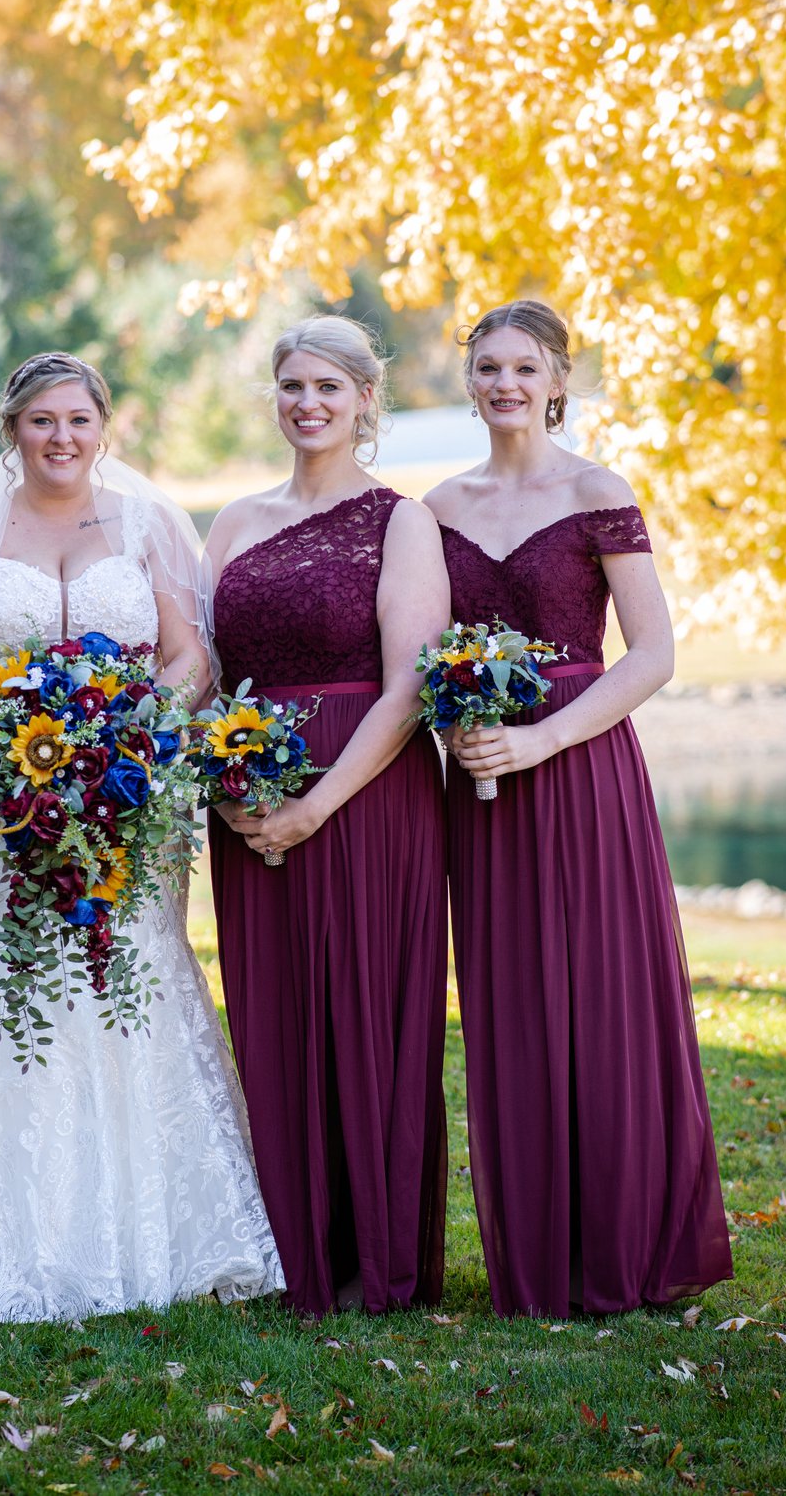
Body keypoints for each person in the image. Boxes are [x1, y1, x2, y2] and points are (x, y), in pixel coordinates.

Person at [0, 351, 284, 1322]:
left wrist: (125, 731)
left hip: (127, 790)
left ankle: (153, 1231)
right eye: (41, 421)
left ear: (102, 424)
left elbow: (189, 653)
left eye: (77, 420)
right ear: (14, 428)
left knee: (125, 970)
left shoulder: (144, 520)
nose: (60, 438)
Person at [429, 298, 733, 1317]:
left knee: (602, 994)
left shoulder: (599, 492)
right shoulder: (434, 508)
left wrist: (543, 739)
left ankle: (623, 1243)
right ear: (467, 381)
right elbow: (424, 654)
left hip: (584, 767)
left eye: (524, 367)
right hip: (480, 785)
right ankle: (537, 1255)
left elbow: (652, 651)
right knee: (509, 1000)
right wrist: (456, 731)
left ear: (558, 381)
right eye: (486, 367)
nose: (504, 384)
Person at [203, 316, 454, 1316]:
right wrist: (226, 779)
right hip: (247, 799)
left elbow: (406, 687)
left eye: (328, 389)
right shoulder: (229, 520)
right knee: (276, 1013)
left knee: (368, 1013)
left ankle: (374, 1261)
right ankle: (289, 1252)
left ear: (364, 400)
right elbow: (206, 670)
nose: (307, 405)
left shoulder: (401, 520)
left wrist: (316, 806)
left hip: (367, 794)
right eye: (292, 386)